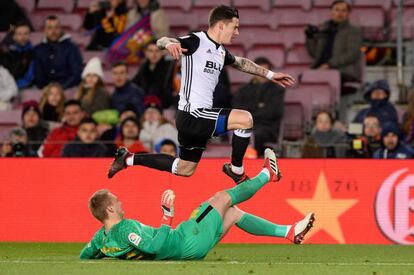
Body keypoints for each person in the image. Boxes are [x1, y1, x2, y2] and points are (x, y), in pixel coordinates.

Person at [107, 5, 295, 183]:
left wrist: (271, 75)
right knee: (245, 119)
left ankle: (128, 159)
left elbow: (241, 62)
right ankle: (236, 170)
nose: (237, 33)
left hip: (192, 118)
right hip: (193, 114)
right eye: (235, 27)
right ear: (221, 25)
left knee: (185, 168)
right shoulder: (197, 41)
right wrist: (168, 44)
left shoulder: (220, 51)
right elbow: (162, 40)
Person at [81, 149, 315, 260]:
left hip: (188, 248)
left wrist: (111, 257)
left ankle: (289, 232)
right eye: (116, 200)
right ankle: (267, 174)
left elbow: (85, 255)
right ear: (110, 209)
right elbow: (153, 248)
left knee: (232, 213)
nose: (121, 202)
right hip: (186, 239)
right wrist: (166, 218)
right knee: (221, 199)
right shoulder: (125, 228)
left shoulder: (102, 238)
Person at [232, 57, 285, 156]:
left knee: (255, 135)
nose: (262, 75)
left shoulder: (277, 90)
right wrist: (258, 107)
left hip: (268, 128)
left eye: (264, 72)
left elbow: (274, 112)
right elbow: (237, 108)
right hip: (245, 125)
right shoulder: (243, 90)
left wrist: (250, 111)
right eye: (260, 71)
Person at [305, 0, 362, 85]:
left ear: (348, 13)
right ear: (331, 12)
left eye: (343, 10)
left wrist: (330, 64)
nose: (340, 13)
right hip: (321, 70)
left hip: (343, 72)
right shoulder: (324, 28)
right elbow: (315, 53)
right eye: (337, 10)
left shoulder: (354, 31)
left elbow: (352, 54)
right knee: (303, 79)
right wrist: (310, 38)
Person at [34, 15, 83, 89]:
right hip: (45, 91)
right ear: (45, 30)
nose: (53, 31)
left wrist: (60, 88)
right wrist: (48, 90)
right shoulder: (38, 50)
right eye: (50, 28)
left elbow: (76, 74)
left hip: (68, 89)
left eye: (56, 27)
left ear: (61, 29)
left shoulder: (72, 48)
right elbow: (38, 75)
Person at [132, 40, 176, 108]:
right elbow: (135, 83)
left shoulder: (170, 67)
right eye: (150, 51)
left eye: (157, 51)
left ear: (162, 52)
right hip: (146, 103)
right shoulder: (144, 67)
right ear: (146, 53)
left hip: (165, 104)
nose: (154, 54)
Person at [0, 21, 35, 89]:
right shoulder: (7, 53)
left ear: (29, 35)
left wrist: (15, 86)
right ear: (14, 36)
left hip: (25, 87)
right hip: (6, 88)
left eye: (26, 33)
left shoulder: (33, 53)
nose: (23, 37)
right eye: (19, 34)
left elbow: (30, 76)